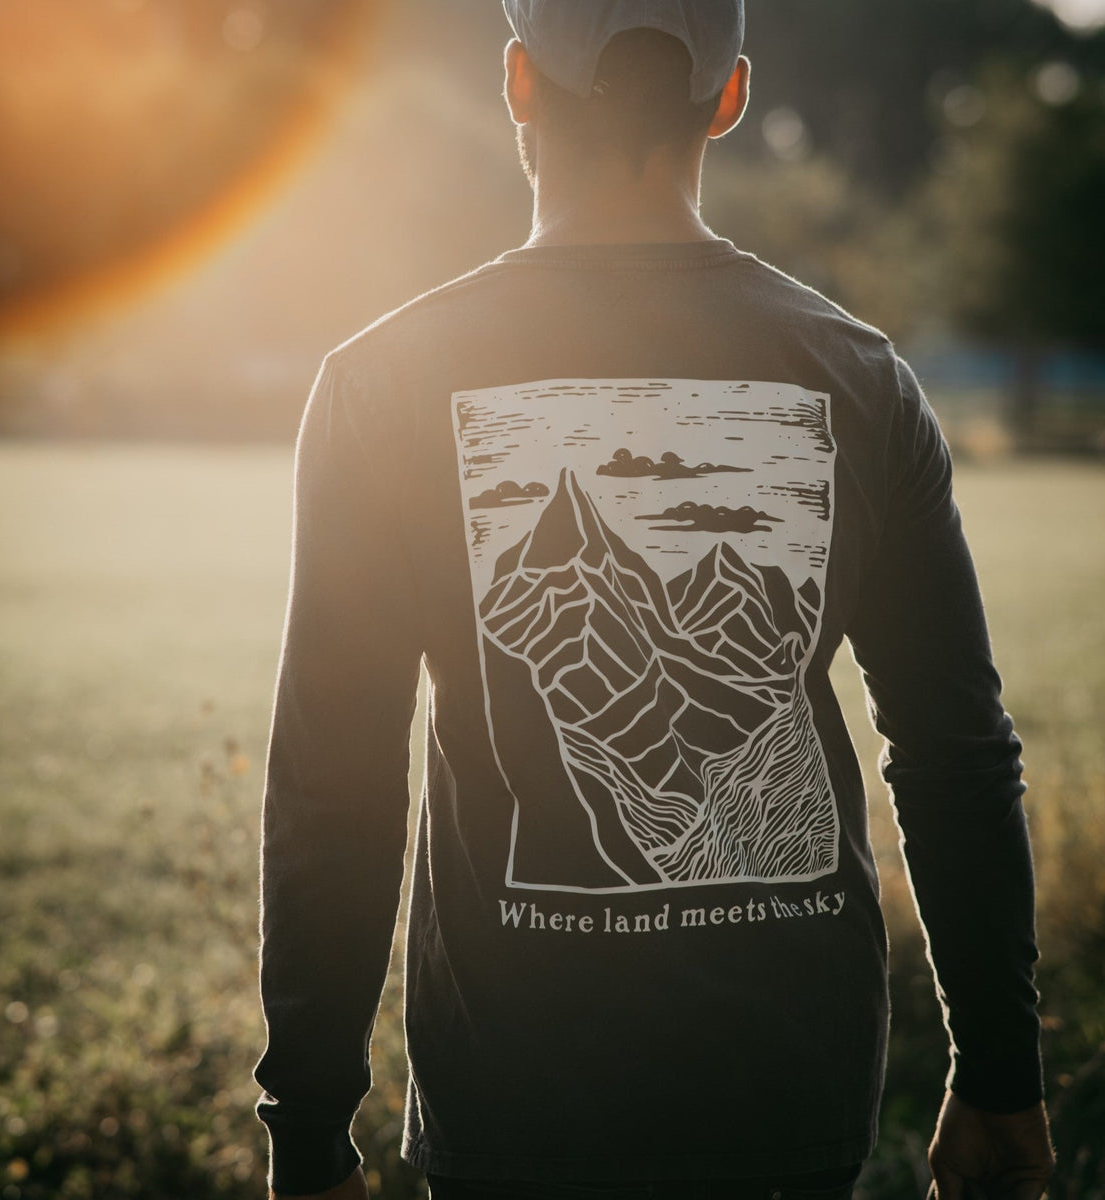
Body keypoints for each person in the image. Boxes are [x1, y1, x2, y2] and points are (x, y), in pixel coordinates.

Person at [254, 3, 1056, 1198]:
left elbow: (335, 781)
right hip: (789, 1088)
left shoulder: (383, 384)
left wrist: (310, 1122)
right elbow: (954, 750)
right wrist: (998, 1071)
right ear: (729, 99)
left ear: (519, 85)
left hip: (514, 1095)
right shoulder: (858, 376)